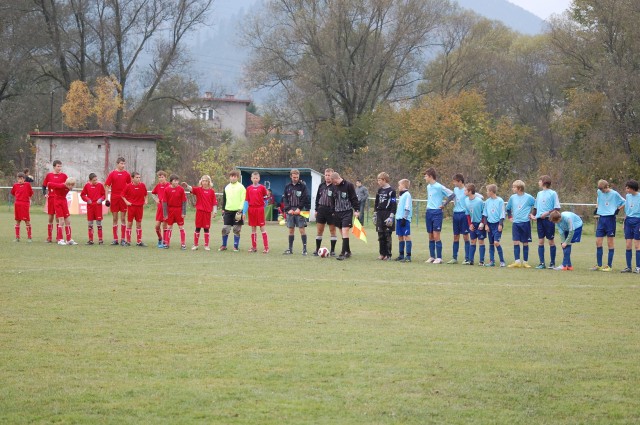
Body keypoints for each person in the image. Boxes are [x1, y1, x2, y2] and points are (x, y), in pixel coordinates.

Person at [591, 179, 625, 271]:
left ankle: (609, 266)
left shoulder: (614, 194)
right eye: (600, 190)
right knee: (598, 242)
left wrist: (618, 209)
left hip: (610, 219)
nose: (602, 191)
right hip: (601, 218)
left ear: (607, 187)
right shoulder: (599, 191)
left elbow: (624, 202)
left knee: (610, 242)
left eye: (603, 189)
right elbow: (598, 198)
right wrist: (597, 207)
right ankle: (599, 265)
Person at [423, 167, 454, 264]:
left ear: (431, 176)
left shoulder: (439, 186)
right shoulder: (428, 187)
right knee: (430, 235)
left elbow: (452, 194)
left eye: (426, 176)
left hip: (437, 212)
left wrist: (444, 204)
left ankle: (439, 258)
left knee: (436, 235)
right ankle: (432, 256)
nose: (425, 178)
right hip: (429, 212)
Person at [530, 175, 561, 269]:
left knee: (551, 241)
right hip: (540, 220)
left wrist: (547, 213)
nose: (538, 182)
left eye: (540, 181)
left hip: (549, 220)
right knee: (540, 241)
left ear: (544, 182)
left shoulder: (553, 193)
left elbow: (557, 208)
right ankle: (542, 263)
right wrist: (533, 215)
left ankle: (552, 263)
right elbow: (535, 207)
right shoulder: (539, 194)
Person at [182, 175, 218, 251]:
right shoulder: (199, 190)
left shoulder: (212, 191)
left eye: (206, 181)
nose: (204, 182)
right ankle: (195, 244)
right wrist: (186, 186)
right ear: (201, 181)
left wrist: (214, 211)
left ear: (209, 182)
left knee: (206, 229)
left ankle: (206, 245)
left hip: (207, 213)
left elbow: (214, 202)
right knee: (197, 228)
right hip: (199, 212)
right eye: (203, 180)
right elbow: (192, 189)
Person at [506, 180, 536, 268]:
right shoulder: (512, 197)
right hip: (516, 223)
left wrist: (532, 214)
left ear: (519, 188)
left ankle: (525, 262)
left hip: (525, 223)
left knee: (525, 242)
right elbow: (508, 208)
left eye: (514, 187)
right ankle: (517, 261)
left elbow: (536, 205)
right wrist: (510, 217)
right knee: (516, 242)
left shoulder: (529, 197)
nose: (512, 188)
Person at [331, 172, 360, 260]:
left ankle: (343, 253)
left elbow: (354, 198)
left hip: (347, 212)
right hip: (337, 212)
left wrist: (357, 210)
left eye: (334, 182)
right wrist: (333, 211)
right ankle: (348, 251)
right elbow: (333, 200)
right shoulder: (334, 187)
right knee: (342, 233)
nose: (334, 184)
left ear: (337, 178)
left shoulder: (349, 185)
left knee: (345, 231)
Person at [282, 169, 311, 255]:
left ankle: (304, 249)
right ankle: (290, 249)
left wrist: (299, 208)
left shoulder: (303, 186)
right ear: (291, 176)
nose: (295, 178)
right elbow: (285, 199)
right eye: (294, 177)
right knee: (291, 230)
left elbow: (305, 198)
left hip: (300, 211)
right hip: (290, 211)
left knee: (302, 229)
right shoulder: (287, 186)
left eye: (297, 177)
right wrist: (288, 209)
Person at [105, 157, 131, 246]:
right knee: (115, 218)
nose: (123, 165)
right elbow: (107, 186)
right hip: (114, 198)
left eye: (124, 164)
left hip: (123, 199)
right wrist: (106, 198)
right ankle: (115, 239)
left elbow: (129, 186)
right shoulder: (112, 174)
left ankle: (123, 239)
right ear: (117, 164)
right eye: (121, 163)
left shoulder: (127, 174)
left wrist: (129, 198)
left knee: (123, 218)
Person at [219, 170, 246, 251]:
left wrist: (241, 210)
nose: (233, 178)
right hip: (228, 211)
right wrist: (223, 209)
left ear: (237, 177)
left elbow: (243, 199)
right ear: (229, 177)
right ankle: (224, 245)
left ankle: (235, 246)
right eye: (231, 176)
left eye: (235, 176)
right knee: (225, 229)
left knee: (236, 230)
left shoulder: (241, 187)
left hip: (238, 211)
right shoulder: (226, 187)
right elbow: (224, 200)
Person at [480, 184, 506, 267]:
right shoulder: (487, 201)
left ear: (491, 191)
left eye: (487, 191)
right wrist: (486, 225)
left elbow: (502, 213)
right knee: (491, 243)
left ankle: (502, 261)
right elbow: (485, 214)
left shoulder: (500, 201)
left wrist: (500, 224)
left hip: (497, 224)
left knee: (496, 242)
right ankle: (492, 261)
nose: (486, 192)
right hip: (489, 225)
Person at [42, 160, 68, 243]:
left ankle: (58, 237)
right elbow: (44, 185)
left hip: (59, 199)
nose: (59, 168)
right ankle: (49, 237)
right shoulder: (49, 175)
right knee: (50, 218)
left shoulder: (64, 176)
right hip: (51, 199)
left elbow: (67, 185)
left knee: (58, 218)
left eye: (60, 166)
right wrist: (44, 193)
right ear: (54, 167)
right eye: (58, 166)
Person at [314, 168, 338, 256]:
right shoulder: (321, 186)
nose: (327, 177)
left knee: (332, 230)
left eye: (329, 175)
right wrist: (316, 209)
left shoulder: (335, 186)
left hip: (331, 211)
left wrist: (335, 210)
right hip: (321, 209)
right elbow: (317, 198)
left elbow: (337, 200)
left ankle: (332, 251)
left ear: (332, 176)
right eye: (326, 175)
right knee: (319, 230)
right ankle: (317, 250)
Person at [47, 177, 78, 245]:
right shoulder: (61, 186)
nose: (70, 187)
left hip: (64, 201)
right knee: (61, 221)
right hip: (57, 202)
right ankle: (60, 239)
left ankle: (69, 239)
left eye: (72, 185)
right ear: (66, 184)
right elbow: (49, 184)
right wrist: (50, 193)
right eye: (69, 185)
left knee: (68, 221)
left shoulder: (69, 188)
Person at [448, 173, 471, 264]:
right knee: (455, 236)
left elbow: (476, 196)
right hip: (456, 214)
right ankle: (454, 258)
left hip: (464, 215)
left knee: (465, 236)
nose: (454, 183)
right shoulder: (455, 189)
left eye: (455, 182)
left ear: (460, 181)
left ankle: (467, 258)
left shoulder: (467, 190)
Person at [244, 171, 269, 253]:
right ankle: (254, 247)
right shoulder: (248, 188)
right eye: (254, 178)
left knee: (262, 228)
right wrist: (244, 212)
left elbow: (266, 198)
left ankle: (266, 247)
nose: (255, 179)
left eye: (256, 178)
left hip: (260, 209)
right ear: (251, 178)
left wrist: (263, 207)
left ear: (259, 178)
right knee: (253, 228)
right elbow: (246, 201)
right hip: (251, 210)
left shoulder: (262, 188)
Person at [122, 172, 148, 247]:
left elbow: (146, 195)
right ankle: (128, 241)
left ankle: (139, 242)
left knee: (139, 224)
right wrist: (126, 202)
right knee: (129, 223)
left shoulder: (142, 185)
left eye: (139, 177)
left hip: (139, 207)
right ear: (132, 178)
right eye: (137, 177)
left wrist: (146, 200)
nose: (138, 179)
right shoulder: (128, 186)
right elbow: (122, 195)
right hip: (131, 207)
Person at [374, 172, 396, 260]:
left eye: (379, 180)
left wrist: (391, 216)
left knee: (387, 235)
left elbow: (394, 203)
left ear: (384, 180)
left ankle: (388, 254)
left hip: (387, 213)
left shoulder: (392, 191)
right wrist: (375, 213)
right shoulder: (379, 190)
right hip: (380, 214)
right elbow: (376, 202)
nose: (378, 182)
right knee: (380, 235)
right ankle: (382, 253)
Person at [162, 174, 187, 249]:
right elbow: (164, 203)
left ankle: (183, 244)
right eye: (175, 181)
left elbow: (184, 201)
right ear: (171, 182)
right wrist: (165, 213)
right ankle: (167, 243)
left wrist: (183, 212)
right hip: (170, 210)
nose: (176, 182)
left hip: (179, 210)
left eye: (177, 181)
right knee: (169, 227)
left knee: (181, 227)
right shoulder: (166, 189)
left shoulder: (181, 189)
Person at [80, 173, 106, 245]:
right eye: (94, 180)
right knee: (90, 224)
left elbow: (104, 195)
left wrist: (101, 199)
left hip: (98, 207)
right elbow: (82, 195)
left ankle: (100, 240)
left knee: (99, 223)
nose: (96, 181)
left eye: (96, 180)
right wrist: (87, 199)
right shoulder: (87, 186)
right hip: (90, 207)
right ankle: (91, 240)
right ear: (90, 180)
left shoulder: (100, 185)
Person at [465, 183, 486, 266]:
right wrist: (470, 224)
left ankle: (481, 261)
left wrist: (482, 223)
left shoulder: (479, 201)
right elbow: (467, 214)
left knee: (481, 241)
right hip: (472, 224)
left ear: (470, 191)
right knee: (472, 241)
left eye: (465, 190)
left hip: (480, 223)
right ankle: (471, 260)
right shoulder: (466, 200)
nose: (464, 192)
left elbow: (484, 213)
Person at [622, 180, 640, 273]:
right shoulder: (628, 196)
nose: (626, 189)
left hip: (638, 221)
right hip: (628, 220)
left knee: (637, 245)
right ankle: (628, 267)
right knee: (628, 245)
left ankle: (638, 267)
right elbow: (627, 210)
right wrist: (624, 222)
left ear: (633, 188)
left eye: (628, 188)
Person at [11, 172, 34, 242]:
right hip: (17, 204)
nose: (20, 180)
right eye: (18, 179)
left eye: (21, 179)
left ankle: (29, 237)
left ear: (24, 179)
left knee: (27, 221)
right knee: (17, 221)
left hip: (25, 204)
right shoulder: (15, 185)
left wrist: (26, 199)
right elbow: (13, 193)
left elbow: (31, 193)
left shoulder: (27, 185)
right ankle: (17, 237)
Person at [394, 179, 413, 262]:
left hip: (404, 219)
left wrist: (404, 218)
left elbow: (407, 207)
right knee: (400, 236)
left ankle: (408, 256)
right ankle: (401, 255)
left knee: (406, 236)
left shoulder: (407, 194)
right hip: (398, 218)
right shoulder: (401, 195)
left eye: (399, 185)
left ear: (404, 185)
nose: (398, 186)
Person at [151, 171, 170, 248]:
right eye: (159, 177)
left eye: (162, 177)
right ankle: (160, 238)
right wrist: (156, 199)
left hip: (166, 209)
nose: (161, 178)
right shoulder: (158, 186)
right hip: (159, 209)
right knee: (157, 226)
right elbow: (153, 193)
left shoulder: (169, 185)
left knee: (164, 226)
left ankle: (165, 242)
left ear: (165, 177)